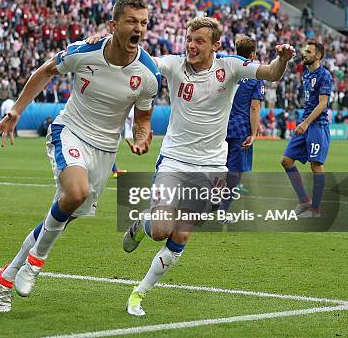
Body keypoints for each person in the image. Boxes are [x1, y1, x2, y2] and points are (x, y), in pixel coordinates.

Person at [0, 0, 161, 313]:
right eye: (131, 21)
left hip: (105, 150)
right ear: (113, 25)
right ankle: (35, 262)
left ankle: (7, 276)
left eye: (144, 23)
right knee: (75, 192)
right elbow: (45, 71)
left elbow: (142, 120)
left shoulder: (149, 73)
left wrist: (141, 140)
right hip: (70, 130)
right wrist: (15, 110)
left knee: (63, 214)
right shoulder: (85, 51)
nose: (139, 28)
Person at [117, 17, 294, 316]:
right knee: (160, 230)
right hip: (174, 159)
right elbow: (138, 59)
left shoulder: (231, 67)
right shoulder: (173, 65)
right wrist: (115, 41)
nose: (191, 45)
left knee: (181, 234)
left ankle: (139, 293)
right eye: (189, 38)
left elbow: (271, 73)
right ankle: (143, 223)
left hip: (210, 167)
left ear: (216, 45)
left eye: (199, 40)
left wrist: (283, 59)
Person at [281, 42, 332, 219]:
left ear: (318, 56)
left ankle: (315, 210)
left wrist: (306, 123)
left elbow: (323, 104)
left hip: (317, 125)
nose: (305, 54)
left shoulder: (324, 75)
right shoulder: (306, 74)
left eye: (309, 52)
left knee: (316, 165)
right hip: (306, 121)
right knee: (286, 160)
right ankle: (304, 200)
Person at [219, 35, 265, 216]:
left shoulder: (227, 69)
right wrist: (254, 133)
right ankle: (223, 211)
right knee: (235, 171)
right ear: (252, 55)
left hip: (220, 125)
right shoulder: (255, 75)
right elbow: (255, 107)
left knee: (215, 166)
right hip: (240, 128)